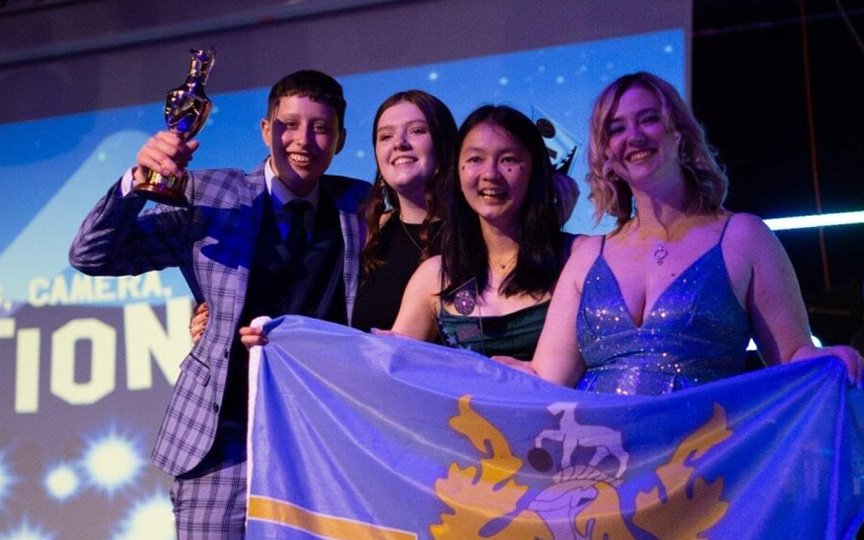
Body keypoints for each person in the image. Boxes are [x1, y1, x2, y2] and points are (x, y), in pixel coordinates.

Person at [69, 70, 368, 537]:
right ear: (266, 130)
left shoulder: (362, 207)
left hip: (321, 444)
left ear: (341, 139)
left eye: (320, 127)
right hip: (222, 444)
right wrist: (136, 180)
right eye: (288, 125)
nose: (303, 140)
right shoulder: (212, 197)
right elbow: (92, 254)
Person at [508, 71, 864, 393]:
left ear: (679, 133)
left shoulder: (743, 237)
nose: (633, 136)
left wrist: (827, 360)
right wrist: (476, 375)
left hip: (701, 459)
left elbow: (790, 357)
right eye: (616, 129)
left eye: (648, 120)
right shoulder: (587, 256)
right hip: (597, 459)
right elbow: (546, 381)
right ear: (606, 155)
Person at [385, 105, 580, 359]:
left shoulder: (577, 258)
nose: (490, 174)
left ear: (535, 170)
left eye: (508, 159)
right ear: (457, 172)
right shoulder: (435, 276)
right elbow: (394, 371)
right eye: (475, 159)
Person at [351, 90, 457, 331]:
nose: (399, 143)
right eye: (386, 136)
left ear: (444, 144)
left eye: (417, 131)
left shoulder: (483, 231)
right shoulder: (368, 237)